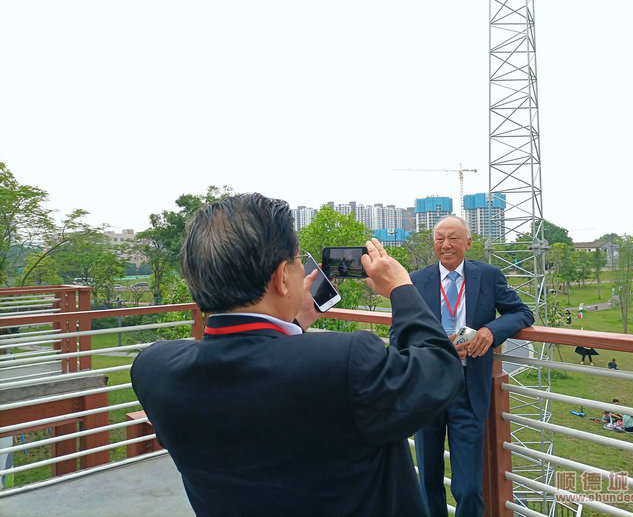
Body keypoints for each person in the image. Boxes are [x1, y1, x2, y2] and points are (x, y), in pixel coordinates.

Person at [131, 193, 465, 517]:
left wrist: (292, 323)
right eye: (295, 260)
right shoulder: (346, 360)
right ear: (281, 278)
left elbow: (258, 377)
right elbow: (439, 369)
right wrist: (401, 289)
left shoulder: (154, 370)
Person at [390, 216, 534, 517]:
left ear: (467, 243)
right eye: (440, 238)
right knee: (428, 479)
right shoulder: (415, 281)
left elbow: (521, 313)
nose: (446, 245)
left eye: (453, 238)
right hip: (426, 388)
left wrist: (491, 331)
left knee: (468, 487)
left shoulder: (489, 275)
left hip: (468, 390)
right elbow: (399, 333)